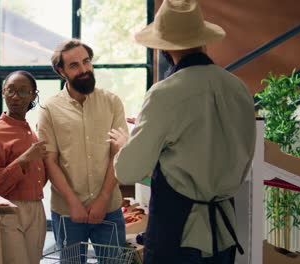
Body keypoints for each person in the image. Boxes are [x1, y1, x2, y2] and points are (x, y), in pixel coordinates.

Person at [108, 0, 256, 263]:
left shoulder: (166, 93)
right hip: (222, 232)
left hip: (177, 232)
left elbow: (128, 171)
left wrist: (125, 145)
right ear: (203, 40)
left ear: (164, 46)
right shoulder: (238, 88)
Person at [37, 39, 128, 259]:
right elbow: (50, 161)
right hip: (67, 211)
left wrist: (103, 198)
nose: (84, 69)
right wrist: (73, 203)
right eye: (74, 65)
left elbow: (117, 153)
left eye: (86, 61)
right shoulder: (49, 109)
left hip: (109, 208)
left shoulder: (112, 102)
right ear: (61, 71)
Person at [0, 70, 47, 264]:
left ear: (33, 95)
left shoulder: (31, 131)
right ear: (3, 92)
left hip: (36, 208)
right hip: (9, 211)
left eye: (23, 91)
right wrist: (23, 160)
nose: (16, 97)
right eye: (11, 91)